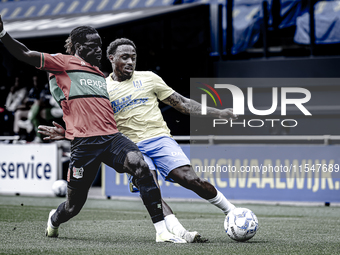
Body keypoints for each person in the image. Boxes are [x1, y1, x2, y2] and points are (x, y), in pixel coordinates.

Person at [0, 16, 187, 243]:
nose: (99, 50)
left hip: (111, 138)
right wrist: (3, 35)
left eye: (100, 45)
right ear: (79, 47)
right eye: (92, 46)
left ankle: (161, 231)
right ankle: (54, 219)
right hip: (84, 145)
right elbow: (25, 54)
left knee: (140, 164)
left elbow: (93, 112)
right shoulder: (63, 63)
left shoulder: (99, 74)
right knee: (73, 207)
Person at [38, 38, 238, 241]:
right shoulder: (101, 87)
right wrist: (67, 133)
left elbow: (182, 103)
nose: (130, 62)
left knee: (190, 179)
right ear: (111, 58)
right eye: (125, 57)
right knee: (150, 184)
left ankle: (232, 211)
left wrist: (218, 113)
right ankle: (180, 232)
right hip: (130, 148)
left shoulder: (150, 78)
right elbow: (91, 122)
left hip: (160, 139)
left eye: (133, 58)